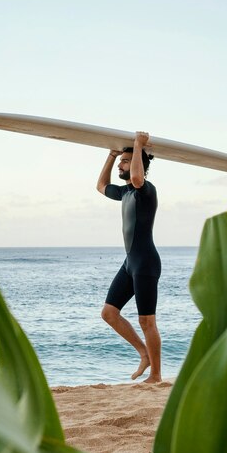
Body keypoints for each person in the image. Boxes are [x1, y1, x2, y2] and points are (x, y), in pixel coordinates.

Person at [96, 131, 162, 383]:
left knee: (147, 321)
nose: (122, 166)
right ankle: (144, 353)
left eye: (126, 161)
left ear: (140, 166)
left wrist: (138, 145)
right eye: (122, 161)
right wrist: (111, 156)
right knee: (109, 313)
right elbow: (100, 186)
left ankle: (156, 375)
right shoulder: (124, 194)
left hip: (146, 262)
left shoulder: (146, 190)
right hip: (130, 263)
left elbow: (136, 177)